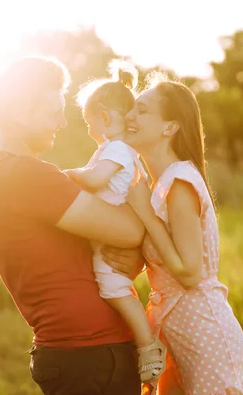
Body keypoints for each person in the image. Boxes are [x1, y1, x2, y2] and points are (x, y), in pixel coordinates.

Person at [0, 56, 146, 395]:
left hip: (86, 354)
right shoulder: (25, 175)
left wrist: (134, 256)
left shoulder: (4, 170)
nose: (62, 122)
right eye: (53, 112)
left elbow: (101, 243)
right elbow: (131, 231)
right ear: (20, 113)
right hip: (88, 357)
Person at [124, 72, 243, 394]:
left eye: (142, 109)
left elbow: (190, 273)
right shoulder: (157, 184)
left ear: (169, 127)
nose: (130, 116)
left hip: (203, 332)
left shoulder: (179, 182)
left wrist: (144, 212)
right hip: (177, 331)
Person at [64, 59, 167, 384]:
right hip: (105, 231)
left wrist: (68, 176)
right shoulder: (116, 148)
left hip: (111, 236)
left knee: (115, 288)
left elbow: (95, 181)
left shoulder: (118, 149)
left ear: (105, 116)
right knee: (111, 288)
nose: (88, 128)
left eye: (88, 121)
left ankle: (148, 346)